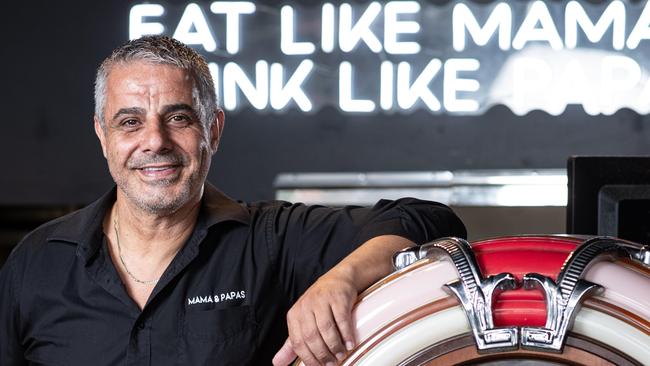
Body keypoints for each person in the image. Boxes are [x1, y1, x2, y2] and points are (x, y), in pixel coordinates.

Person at [0, 36, 466, 365]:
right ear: (103, 136)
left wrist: (344, 277)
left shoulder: (271, 242)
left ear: (214, 130)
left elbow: (431, 220)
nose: (154, 141)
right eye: (129, 122)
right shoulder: (37, 263)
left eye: (178, 117)